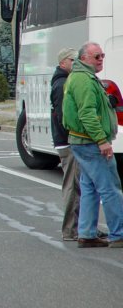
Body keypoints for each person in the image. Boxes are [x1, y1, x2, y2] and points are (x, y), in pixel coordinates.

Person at [62, 41, 123, 248]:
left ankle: (86, 233)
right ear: (83, 58)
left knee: (90, 188)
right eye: (97, 56)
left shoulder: (80, 77)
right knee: (110, 188)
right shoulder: (84, 80)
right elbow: (87, 114)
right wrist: (101, 140)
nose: (101, 60)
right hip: (90, 143)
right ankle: (119, 234)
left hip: (83, 141)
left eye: (102, 56)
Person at [51, 47, 82, 241]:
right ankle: (70, 230)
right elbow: (64, 116)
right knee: (72, 186)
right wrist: (73, 137)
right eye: (73, 60)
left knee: (80, 185)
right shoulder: (61, 84)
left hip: (68, 140)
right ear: (63, 62)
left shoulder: (65, 81)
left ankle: (83, 227)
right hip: (68, 141)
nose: (76, 63)